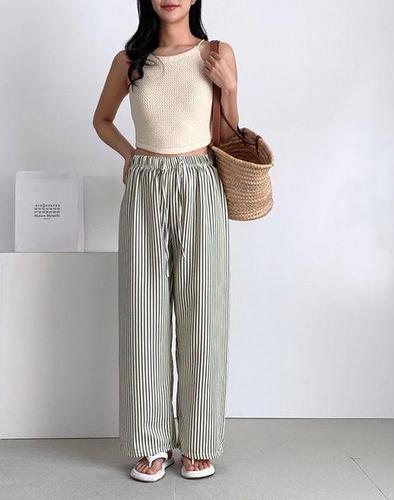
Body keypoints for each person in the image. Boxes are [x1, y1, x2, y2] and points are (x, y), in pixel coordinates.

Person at [93, 0, 238, 482]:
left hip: (201, 182)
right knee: (144, 313)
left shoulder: (216, 54)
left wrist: (229, 87)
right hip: (146, 184)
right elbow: (102, 119)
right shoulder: (129, 61)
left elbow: (225, 133)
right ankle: (150, 439)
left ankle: (199, 440)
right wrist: (130, 154)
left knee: (203, 313)